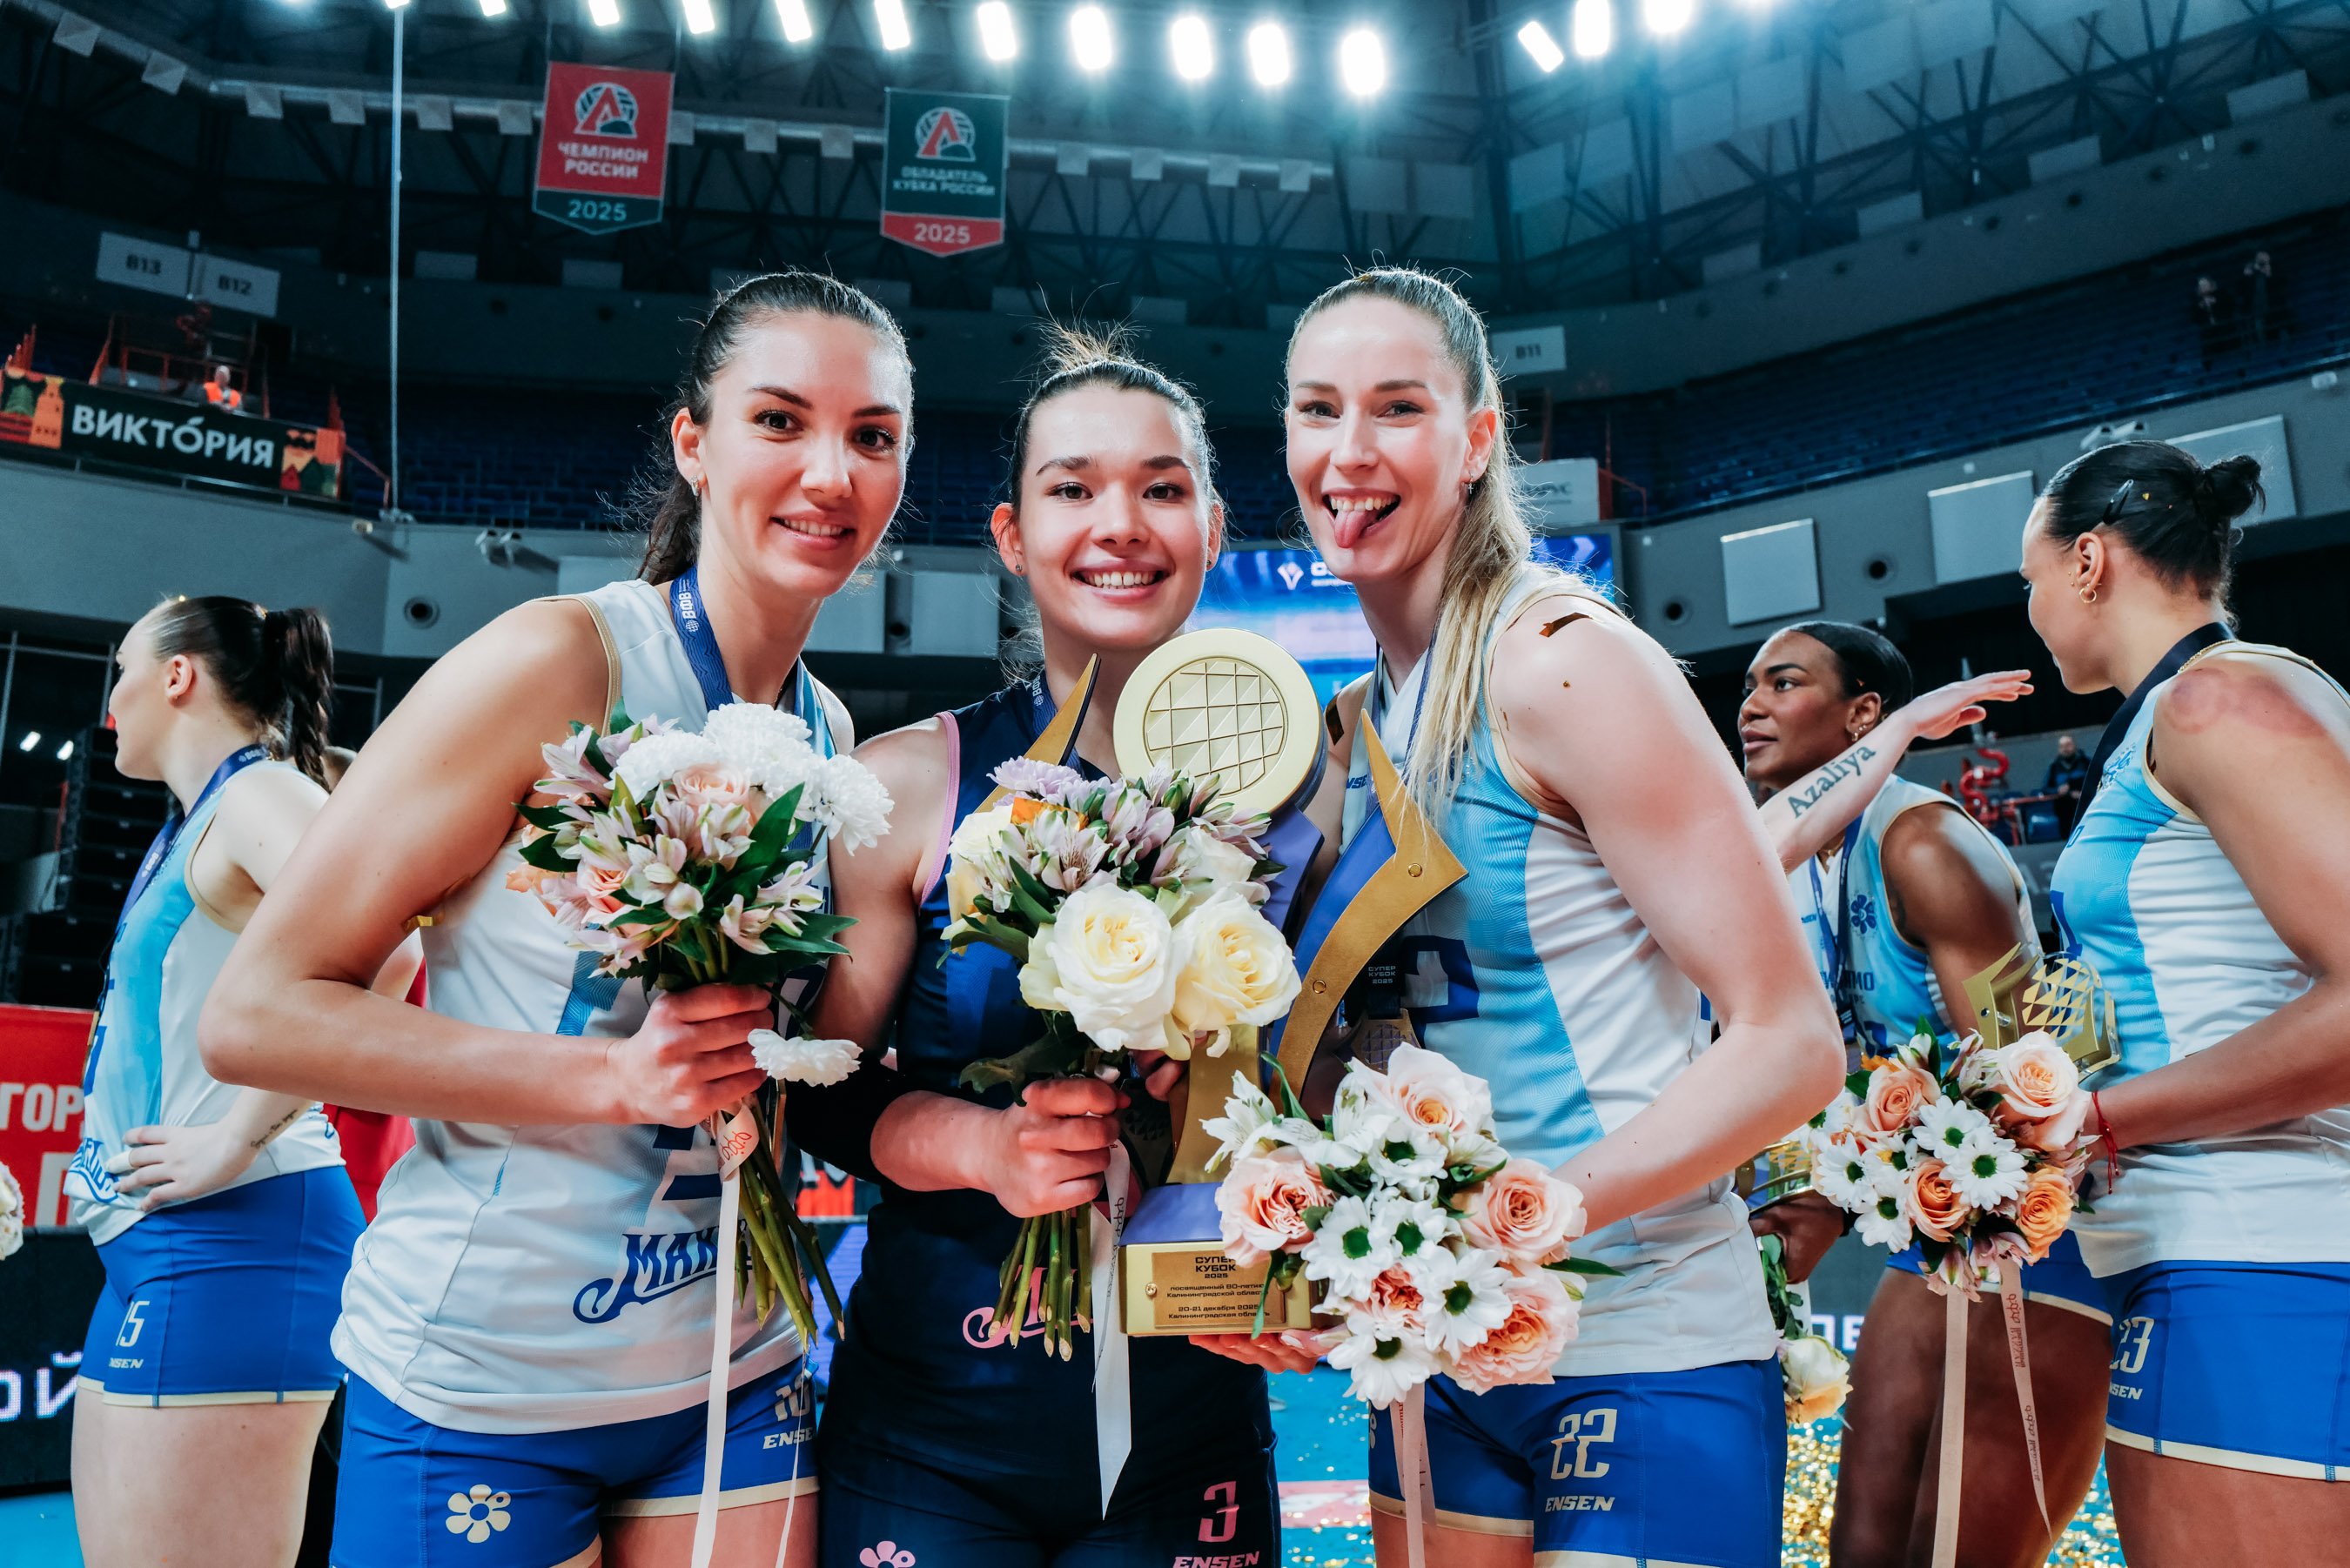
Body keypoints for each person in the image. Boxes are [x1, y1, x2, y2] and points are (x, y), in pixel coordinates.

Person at [201, 271, 915, 1568]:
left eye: (872, 435)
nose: (830, 471)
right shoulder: (561, 660)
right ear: (693, 442)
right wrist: (613, 1077)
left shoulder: (826, 733)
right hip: (487, 1384)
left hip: (732, 1368)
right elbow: (256, 1014)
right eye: (779, 419)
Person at [1242, 266, 1843, 1568]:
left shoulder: (1564, 660)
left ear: (1475, 439)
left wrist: (1515, 1223)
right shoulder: (1350, 730)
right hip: (1440, 1352)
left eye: (1398, 408)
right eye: (1318, 409)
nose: (1350, 452)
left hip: (1643, 1338)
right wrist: (1300, 1237)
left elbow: (1792, 1038)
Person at [787, 324, 1327, 1568]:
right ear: (1013, 534)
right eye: (1073, 488)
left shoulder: (1306, 796)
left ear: (1212, 527)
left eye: (1162, 489)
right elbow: (818, 1088)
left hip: (1196, 1416)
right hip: (935, 1426)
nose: (1119, 524)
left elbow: (1340, 1068)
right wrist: (983, 1145)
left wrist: (1317, 1225)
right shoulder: (914, 783)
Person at [2024, 440, 2350, 1562]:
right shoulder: (2192, 706)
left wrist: (2094, 1119)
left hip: (2263, 1244)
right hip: (2221, 1247)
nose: (2030, 611)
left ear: (2087, 561)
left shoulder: (2220, 695)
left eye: (2029, 579)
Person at [1737, 621, 2111, 1568]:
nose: (1752, 706)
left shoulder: (1923, 843)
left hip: (2039, 1225)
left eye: (1785, 683)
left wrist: (1843, 1192)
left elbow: (2033, 1078)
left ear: (1865, 714)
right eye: (1749, 686)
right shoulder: (1799, 861)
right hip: (1932, 1220)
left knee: (1955, 1551)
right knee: (1861, 1545)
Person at [66, 596, 414, 1568]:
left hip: (236, 1234)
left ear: (177, 675)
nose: (112, 701)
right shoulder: (203, 819)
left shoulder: (261, 794)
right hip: (156, 1240)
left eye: (122, 669)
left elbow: (390, 948)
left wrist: (237, 1135)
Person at [2044, 732, 2093, 835]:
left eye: (2068, 745)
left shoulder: (2086, 762)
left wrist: (2084, 793)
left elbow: (2097, 781)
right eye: (2062, 746)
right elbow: (2045, 789)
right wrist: (2057, 790)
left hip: (2086, 808)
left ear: (2075, 746)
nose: (2065, 749)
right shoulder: (2054, 767)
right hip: (2064, 811)